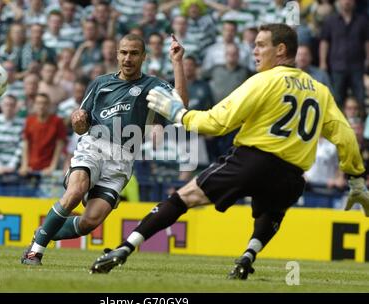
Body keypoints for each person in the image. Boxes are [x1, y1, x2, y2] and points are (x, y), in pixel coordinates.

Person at [90, 23, 369, 279]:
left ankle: (124, 248)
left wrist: (180, 114)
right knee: (271, 213)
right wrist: (356, 177)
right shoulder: (320, 91)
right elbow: (344, 134)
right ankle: (248, 256)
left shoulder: (264, 81)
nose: (254, 50)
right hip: (293, 176)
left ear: (280, 50)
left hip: (253, 161)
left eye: (260, 45)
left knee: (182, 199)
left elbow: (217, 123)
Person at [20, 33, 188, 266]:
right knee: (76, 191)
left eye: (134, 53)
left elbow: (181, 104)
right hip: (93, 147)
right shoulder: (100, 83)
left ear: (143, 57)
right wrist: (78, 120)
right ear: (117, 54)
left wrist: (177, 62)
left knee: (90, 222)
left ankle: (43, 233)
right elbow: (81, 123)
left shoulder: (153, 85)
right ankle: (34, 253)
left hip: (122, 159)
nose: (128, 58)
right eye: (124, 52)